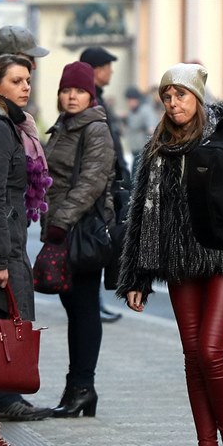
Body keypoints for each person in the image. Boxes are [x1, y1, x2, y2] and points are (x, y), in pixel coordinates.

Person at [117, 63, 223, 446]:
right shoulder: (157, 145)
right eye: (167, 97)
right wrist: (136, 277)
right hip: (178, 261)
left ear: (198, 97)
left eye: (181, 95)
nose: (173, 104)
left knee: (210, 350)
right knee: (192, 357)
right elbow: (140, 214)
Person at [0, 26, 52, 423]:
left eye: (28, 80)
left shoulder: (8, 124)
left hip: (5, 240)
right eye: (18, 81)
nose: (26, 86)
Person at [42, 61, 116, 417]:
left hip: (80, 232)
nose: (72, 96)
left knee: (84, 310)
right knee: (75, 309)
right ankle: (78, 389)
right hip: (63, 230)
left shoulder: (95, 128)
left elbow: (93, 180)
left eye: (79, 91)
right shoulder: (63, 127)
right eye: (66, 90)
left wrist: (61, 221)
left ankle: (82, 389)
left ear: (91, 95)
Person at [80, 45, 129, 323]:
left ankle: (96, 301)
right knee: (99, 241)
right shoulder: (91, 101)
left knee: (105, 242)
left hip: (108, 182)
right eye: (108, 67)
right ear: (98, 70)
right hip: (101, 186)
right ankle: (93, 302)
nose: (111, 71)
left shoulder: (97, 98)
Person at [122, 85, 159, 178]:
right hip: (135, 149)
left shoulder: (145, 110)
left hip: (143, 151)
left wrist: (149, 129)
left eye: (131, 100)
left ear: (136, 99)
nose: (129, 103)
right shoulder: (132, 111)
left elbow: (152, 127)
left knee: (136, 177)